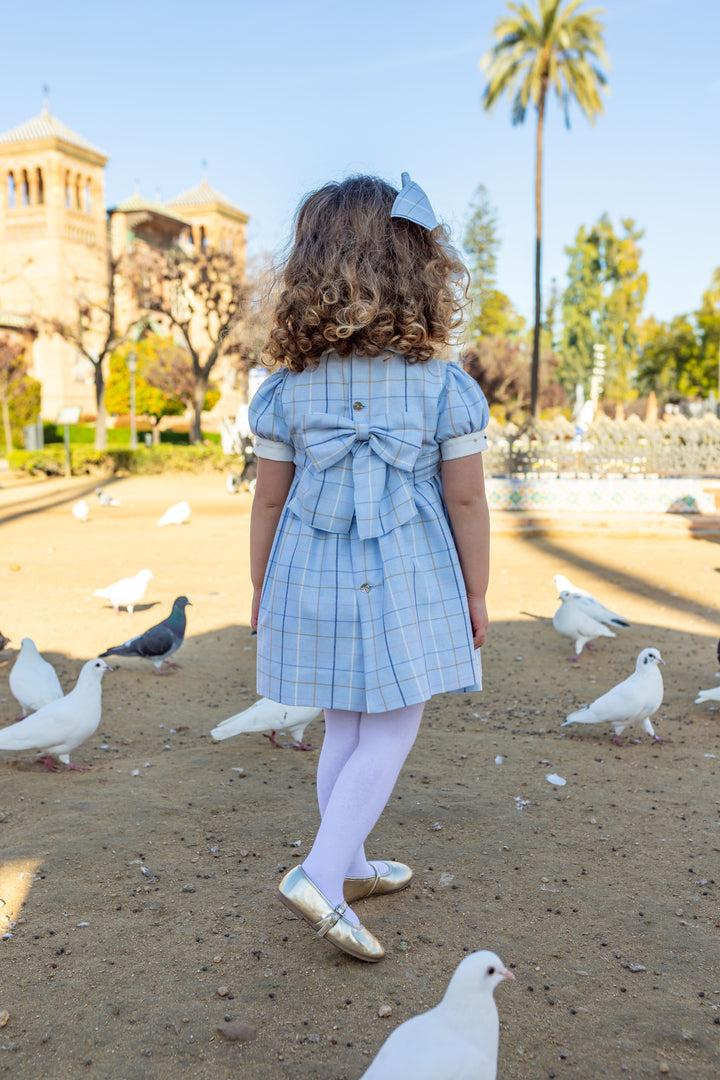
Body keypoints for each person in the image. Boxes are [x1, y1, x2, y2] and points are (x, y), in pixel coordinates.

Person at [248, 174, 490, 963]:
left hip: (311, 577)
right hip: (407, 580)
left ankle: (348, 861)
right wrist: (477, 591)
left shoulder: (285, 392)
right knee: (391, 723)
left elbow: (268, 506)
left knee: (346, 724)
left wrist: (260, 590)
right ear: (418, 268)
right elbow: (465, 504)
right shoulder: (442, 388)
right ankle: (319, 871)